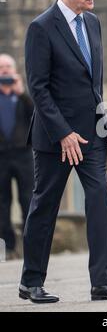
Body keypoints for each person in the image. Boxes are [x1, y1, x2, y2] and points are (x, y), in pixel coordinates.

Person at [19, 0, 107, 304]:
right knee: (45, 205)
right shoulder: (41, 28)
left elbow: (92, 81)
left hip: (93, 133)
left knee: (99, 202)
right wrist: (63, 132)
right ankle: (31, 281)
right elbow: (38, 88)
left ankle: (102, 281)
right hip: (56, 138)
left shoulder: (93, 23)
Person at [0, 54, 33, 260]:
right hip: (1, 157)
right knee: (2, 203)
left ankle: (30, 246)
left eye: (8, 67)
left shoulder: (23, 97)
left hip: (23, 155)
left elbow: (37, 116)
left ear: (14, 70)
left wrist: (22, 93)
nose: (4, 71)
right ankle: (9, 246)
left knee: (28, 200)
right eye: (1, 67)